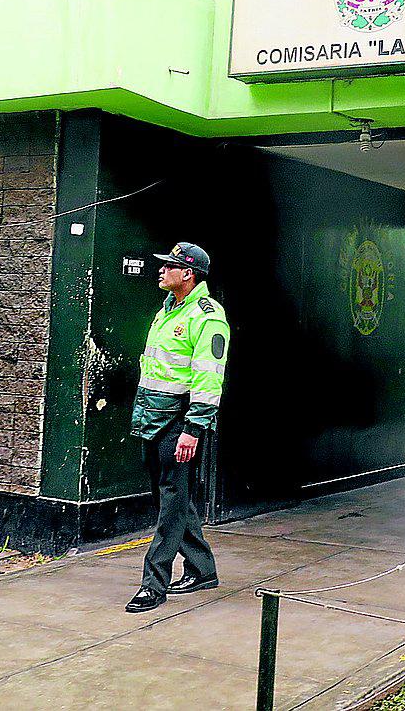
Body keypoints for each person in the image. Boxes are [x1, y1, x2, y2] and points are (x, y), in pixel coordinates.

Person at [124, 242, 231, 613]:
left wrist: (193, 429)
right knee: (170, 498)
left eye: (168, 265)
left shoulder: (208, 317)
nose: (161, 269)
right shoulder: (167, 310)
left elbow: (208, 378)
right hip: (152, 417)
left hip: (178, 422)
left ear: (188, 274)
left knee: (170, 505)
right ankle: (202, 569)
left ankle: (153, 584)